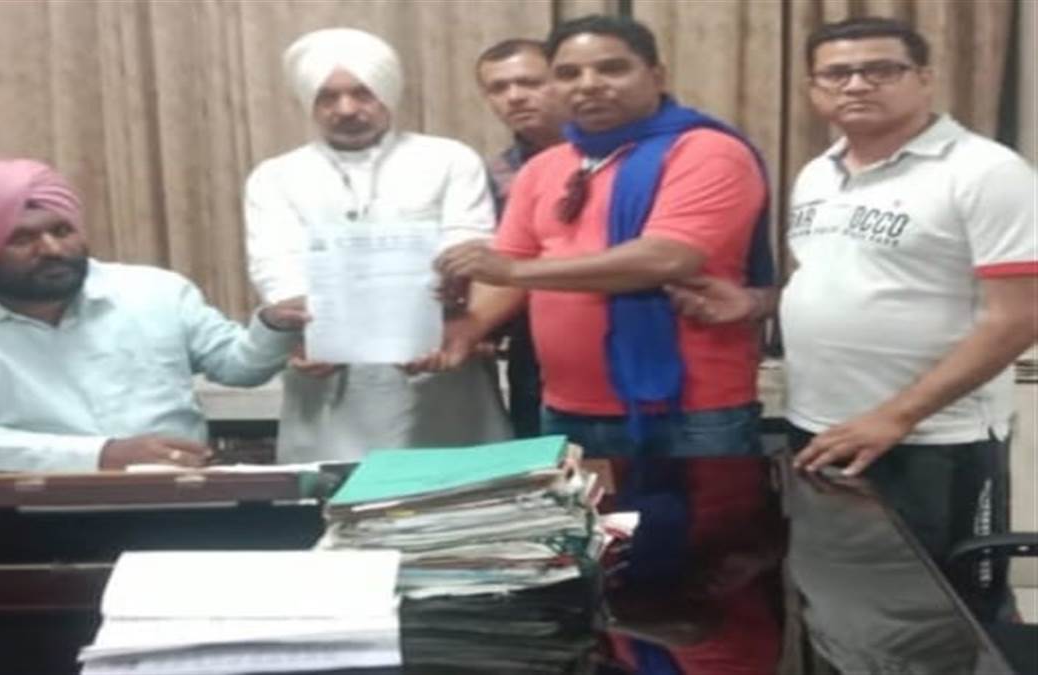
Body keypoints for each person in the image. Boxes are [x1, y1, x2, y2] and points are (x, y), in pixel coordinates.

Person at [669, 17, 1036, 616]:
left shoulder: (986, 172)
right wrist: (756, 304)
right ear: (814, 89)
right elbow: (843, 278)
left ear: (924, 78)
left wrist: (895, 417)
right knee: (848, 601)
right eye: (837, 74)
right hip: (820, 426)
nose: (857, 84)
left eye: (881, 69)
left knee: (948, 615)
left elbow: (1018, 318)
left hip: (934, 440)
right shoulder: (821, 171)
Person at [419, 15, 774, 459]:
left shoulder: (706, 151)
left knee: (705, 510)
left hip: (693, 410)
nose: (588, 85)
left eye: (612, 68)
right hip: (566, 407)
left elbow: (666, 258)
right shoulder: (544, 167)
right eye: (569, 74)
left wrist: (513, 270)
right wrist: (468, 328)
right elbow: (506, 266)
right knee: (582, 510)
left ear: (656, 75)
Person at [0, 159, 307, 472]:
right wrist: (101, 455)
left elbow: (237, 367)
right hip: (16, 516)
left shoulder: (154, 292)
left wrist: (272, 325)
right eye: (21, 239)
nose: (52, 249)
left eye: (61, 230)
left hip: (179, 500)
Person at [243, 28, 510, 463]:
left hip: (438, 362)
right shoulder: (275, 177)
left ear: (387, 92)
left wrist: (448, 291)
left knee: (454, 492)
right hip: (328, 372)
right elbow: (276, 265)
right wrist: (315, 333)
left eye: (362, 93)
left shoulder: (448, 159)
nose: (346, 109)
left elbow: (469, 244)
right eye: (327, 97)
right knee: (338, 493)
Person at [475, 38, 568, 439]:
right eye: (498, 88)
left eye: (530, 82)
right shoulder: (489, 175)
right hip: (531, 350)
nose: (514, 97)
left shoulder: (621, 157)